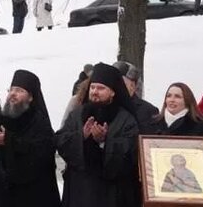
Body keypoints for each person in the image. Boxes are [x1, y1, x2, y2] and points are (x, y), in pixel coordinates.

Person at [55, 62, 140, 207]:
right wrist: (82, 136)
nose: (94, 92)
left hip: (110, 193)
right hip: (79, 190)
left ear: (113, 92)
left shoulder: (126, 119)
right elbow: (60, 140)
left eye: (101, 88)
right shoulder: (77, 114)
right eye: (93, 87)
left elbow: (130, 153)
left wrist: (104, 142)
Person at [0, 69, 61, 207]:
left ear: (31, 97)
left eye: (19, 90)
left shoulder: (39, 122)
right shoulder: (0, 119)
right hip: (4, 194)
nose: (12, 94)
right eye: (11, 90)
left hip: (33, 195)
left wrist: (8, 141)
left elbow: (41, 154)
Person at [114, 61, 160, 127]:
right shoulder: (104, 107)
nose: (116, 87)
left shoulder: (149, 111)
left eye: (121, 83)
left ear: (132, 86)